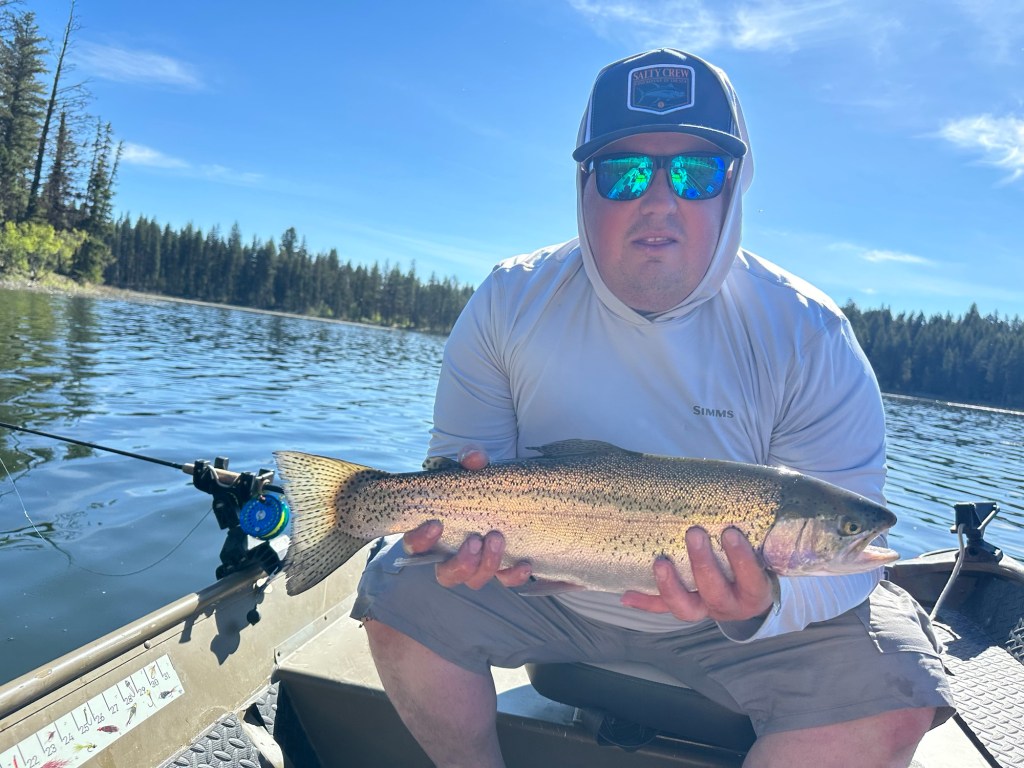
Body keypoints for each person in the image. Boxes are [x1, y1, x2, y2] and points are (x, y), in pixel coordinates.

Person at [351, 48, 954, 767]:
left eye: (697, 173)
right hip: (539, 590)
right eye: (625, 172)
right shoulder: (510, 299)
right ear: (584, 185)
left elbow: (850, 570)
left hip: (742, 630)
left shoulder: (809, 334)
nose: (660, 201)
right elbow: (458, 470)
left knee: (899, 692)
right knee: (394, 590)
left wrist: (762, 604)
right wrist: (462, 547)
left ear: (734, 187)